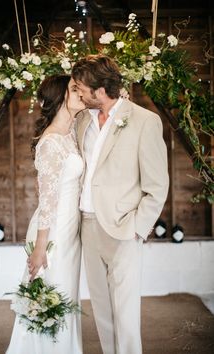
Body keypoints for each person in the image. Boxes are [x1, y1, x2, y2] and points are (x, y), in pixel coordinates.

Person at [72, 54, 169, 354]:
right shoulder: (81, 122)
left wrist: (138, 229)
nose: (77, 93)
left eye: (80, 88)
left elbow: (157, 185)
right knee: (101, 310)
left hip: (124, 229)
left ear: (99, 90)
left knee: (126, 314)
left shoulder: (144, 121)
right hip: (87, 226)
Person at [6, 74, 85, 354]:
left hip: (71, 231)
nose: (81, 93)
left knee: (68, 296)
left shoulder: (73, 131)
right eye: (75, 89)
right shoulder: (50, 142)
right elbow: (47, 202)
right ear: (61, 96)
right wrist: (40, 250)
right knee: (53, 297)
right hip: (53, 235)